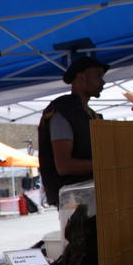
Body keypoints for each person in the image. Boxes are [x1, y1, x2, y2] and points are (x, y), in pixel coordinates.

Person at [37, 56, 108, 206]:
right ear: (81, 77)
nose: (103, 82)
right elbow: (64, 166)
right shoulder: (63, 112)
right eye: (98, 76)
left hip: (93, 196)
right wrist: (105, 163)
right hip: (75, 202)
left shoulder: (90, 115)